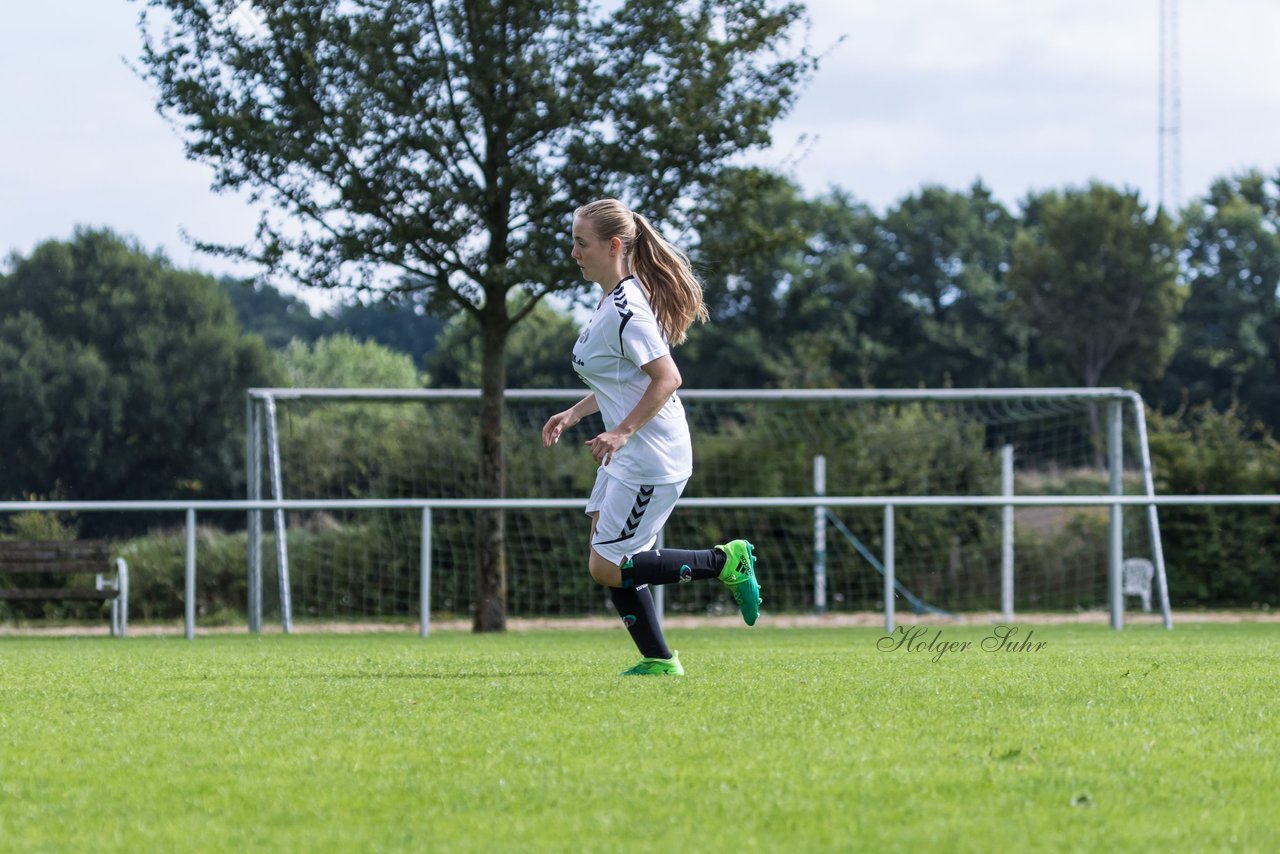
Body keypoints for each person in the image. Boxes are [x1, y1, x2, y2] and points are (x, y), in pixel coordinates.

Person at [541, 198, 761, 676]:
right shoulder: (612, 299)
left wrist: (620, 432)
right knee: (605, 542)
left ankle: (725, 561)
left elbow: (667, 379)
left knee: (608, 566)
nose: (574, 252)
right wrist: (577, 412)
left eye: (582, 243)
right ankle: (659, 661)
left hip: (651, 457)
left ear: (613, 245)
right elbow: (622, 380)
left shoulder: (627, 311)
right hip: (632, 452)